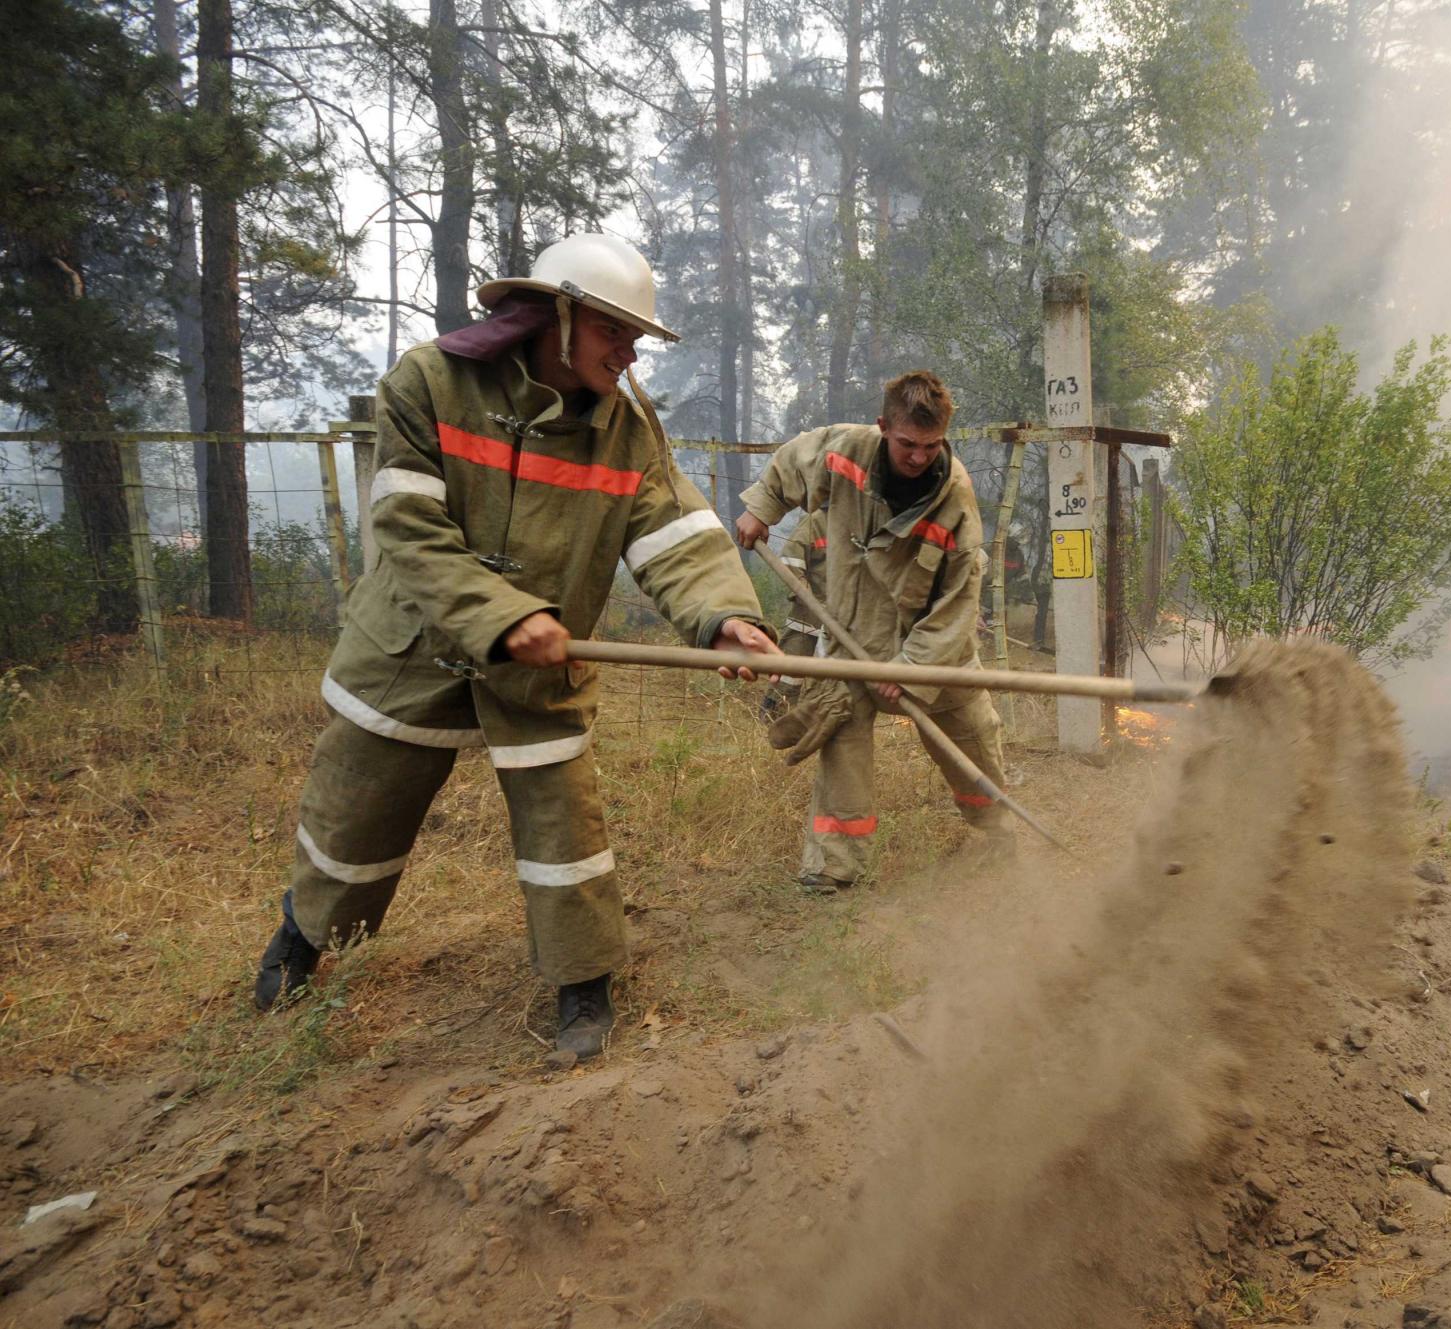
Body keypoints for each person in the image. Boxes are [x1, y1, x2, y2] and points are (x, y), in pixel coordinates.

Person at [251, 233, 778, 1059]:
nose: (629, 352)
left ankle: (583, 981)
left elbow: (674, 533)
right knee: (354, 810)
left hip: (542, 672)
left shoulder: (627, 429)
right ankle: (303, 936)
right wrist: (500, 614)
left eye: (635, 336)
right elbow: (407, 525)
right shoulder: (428, 383)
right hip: (410, 647)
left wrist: (724, 618)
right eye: (613, 330)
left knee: (565, 827)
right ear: (554, 316)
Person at [733, 371, 1009, 892]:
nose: (918, 457)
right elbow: (794, 461)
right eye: (907, 444)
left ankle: (998, 832)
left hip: (933, 651)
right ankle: (833, 867)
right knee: (842, 741)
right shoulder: (845, 450)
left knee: (972, 740)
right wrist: (762, 509)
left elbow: (957, 603)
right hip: (851, 636)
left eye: (931, 445)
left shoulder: (954, 497)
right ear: (883, 427)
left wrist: (910, 669)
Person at [758, 508, 828, 722]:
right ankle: (773, 719)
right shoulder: (816, 521)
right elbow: (790, 559)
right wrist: (806, 595)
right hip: (808, 617)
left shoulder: (862, 520)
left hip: (845, 622)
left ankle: (818, 722)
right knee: (789, 671)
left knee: (833, 679)